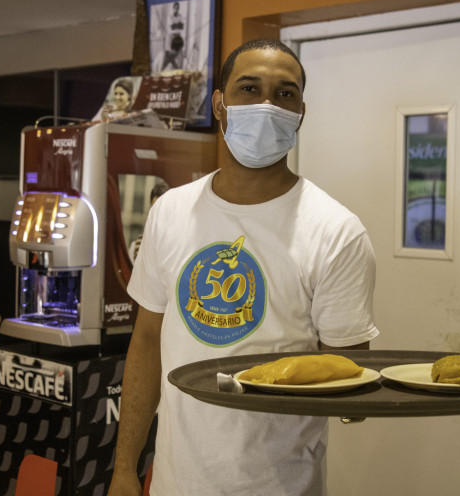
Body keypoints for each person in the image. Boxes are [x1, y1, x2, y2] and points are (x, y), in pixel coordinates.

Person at [108, 38, 378, 496]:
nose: (267, 106)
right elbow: (147, 342)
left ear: (300, 114)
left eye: (284, 94)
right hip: (175, 483)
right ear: (220, 104)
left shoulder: (337, 232)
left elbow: (349, 384)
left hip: (280, 486)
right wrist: (123, 468)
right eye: (249, 89)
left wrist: (351, 387)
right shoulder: (170, 211)